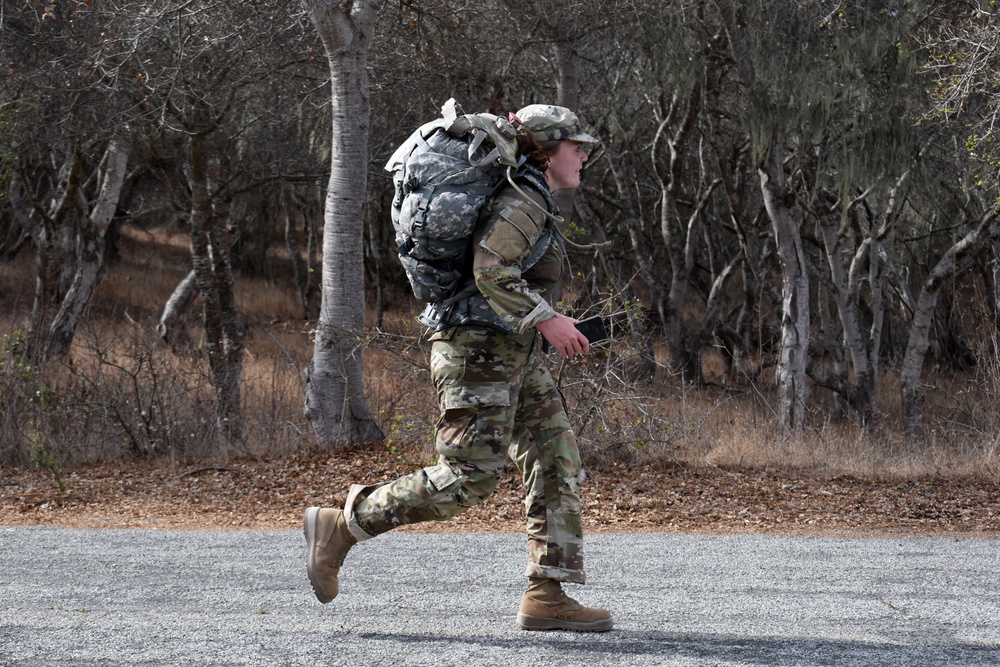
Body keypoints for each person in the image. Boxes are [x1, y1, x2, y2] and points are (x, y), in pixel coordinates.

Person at [303, 104, 613, 632]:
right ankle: (344, 524)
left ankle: (547, 593)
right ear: (546, 148)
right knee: (468, 478)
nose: (583, 154)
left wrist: (545, 321)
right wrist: (549, 321)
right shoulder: (524, 197)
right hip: (477, 352)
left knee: (553, 453)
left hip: (507, 350)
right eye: (574, 145)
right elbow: (491, 270)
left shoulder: (526, 192)